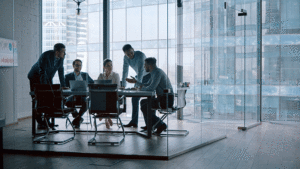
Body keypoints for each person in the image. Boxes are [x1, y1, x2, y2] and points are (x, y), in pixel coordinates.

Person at [126, 57, 174, 135]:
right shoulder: (154, 72)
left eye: (145, 65)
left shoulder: (157, 73)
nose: (144, 67)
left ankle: (161, 124)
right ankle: (149, 125)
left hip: (166, 100)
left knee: (145, 105)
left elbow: (151, 88)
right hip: (162, 98)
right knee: (143, 102)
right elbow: (147, 84)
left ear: (150, 65)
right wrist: (136, 82)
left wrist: (139, 89)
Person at [28, 43, 68, 129]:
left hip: (48, 77)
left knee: (51, 98)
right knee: (38, 99)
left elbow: (61, 72)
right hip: (35, 77)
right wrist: (45, 89)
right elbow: (42, 72)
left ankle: (46, 121)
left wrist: (63, 85)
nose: (65, 54)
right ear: (57, 52)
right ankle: (40, 122)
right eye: (63, 52)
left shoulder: (61, 59)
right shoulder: (45, 56)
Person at [121, 44, 151, 128]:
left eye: (131, 53)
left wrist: (137, 86)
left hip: (148, 76)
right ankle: (134, 122)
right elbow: (125, 71)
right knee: (134, 99)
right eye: (128, 54)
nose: (130, 55)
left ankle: (149, 124)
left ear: (133, 49)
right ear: (125, 54)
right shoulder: (126, 58)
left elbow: (141, 71)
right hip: (139, 77)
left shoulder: (141, 56)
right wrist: (123, 85)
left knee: (149, 98)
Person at [65, 59, 94, 128]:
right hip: (72, 96)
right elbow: (65, 86)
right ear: (73, 66)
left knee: (87, 102)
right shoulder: (67, 76)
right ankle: (78, 118)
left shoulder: (85, 75)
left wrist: (86, 85)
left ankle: (77, 118)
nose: (78, 67)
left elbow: (92, 83)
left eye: (80, 65)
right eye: (76, 65)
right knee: (67, 102)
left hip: (83, 96)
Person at [97, 59, 121, 129]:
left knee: (106, 100)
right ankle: (108, 117)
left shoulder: (115, 75)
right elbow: (97, 86)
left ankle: (105, 117)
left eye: (111, 65)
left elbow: (118, 87)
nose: (110, 67)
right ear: (104, 67)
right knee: (100, 98)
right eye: (107, 65)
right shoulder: (101, 75)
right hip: (103, 97)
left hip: (113, 97)